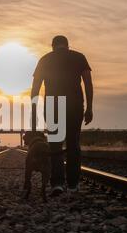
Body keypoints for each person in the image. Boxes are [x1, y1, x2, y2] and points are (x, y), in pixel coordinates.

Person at [31, 35, 93, 197]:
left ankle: (57, 183)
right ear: (67, 45)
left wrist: (33, 110)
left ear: (53, 46)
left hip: (53, 107)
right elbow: (88, 83)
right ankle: (72, 185)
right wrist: (90, 108)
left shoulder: (45, 59)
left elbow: (35, 88)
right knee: (73, 145)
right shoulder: (79, 57)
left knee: (55, 145)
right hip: (75, 106)